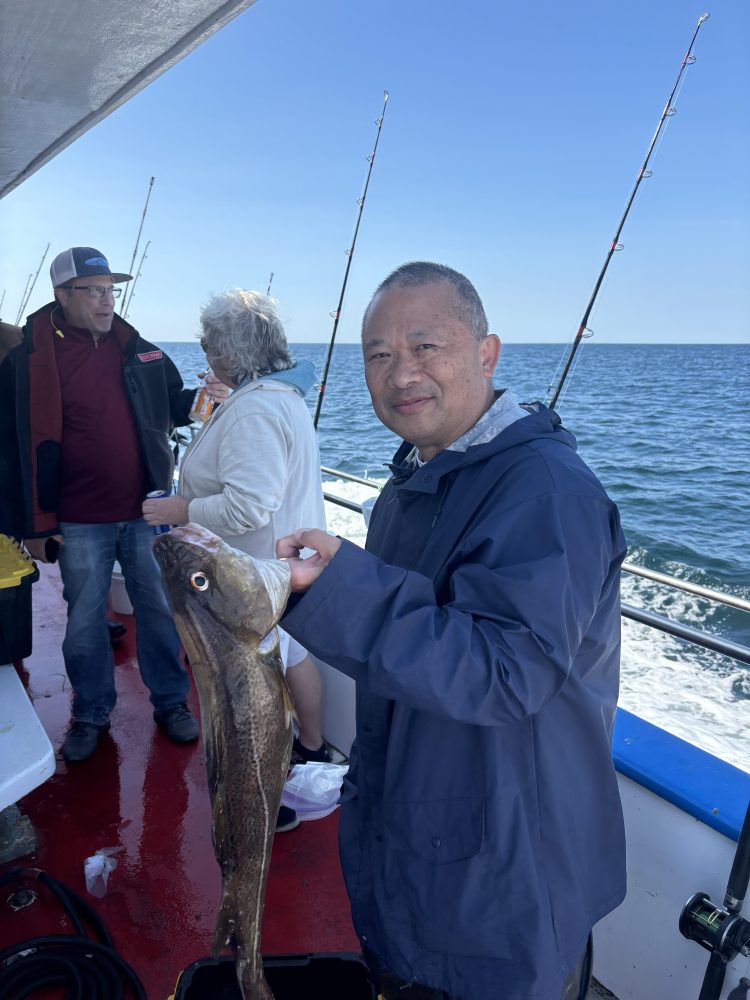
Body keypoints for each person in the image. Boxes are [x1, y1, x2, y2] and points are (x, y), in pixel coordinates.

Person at [276, 262, 627, 1000]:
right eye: (377, 354)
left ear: (487, 353)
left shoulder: (548, 492)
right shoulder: (419, 476)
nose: (401, 372)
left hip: (507, 880)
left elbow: (505, 670)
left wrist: (342, 590)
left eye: (425, 345)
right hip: (426, 842)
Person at [0, 246, 226, 763]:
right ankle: (91, 713)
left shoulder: (139, 349)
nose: (107, 301)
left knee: (159, 612)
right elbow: (9, 451)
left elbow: (177, 406)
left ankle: (170, 702)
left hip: (146, 513)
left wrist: (205, 398)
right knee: (83, 622)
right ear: (62, 295)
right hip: (77, 520)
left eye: (111, 291)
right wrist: (31, 525)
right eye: (94, 291)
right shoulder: (25, 361)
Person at [142, 288, 330, 832]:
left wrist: (180, 508)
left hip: (260, 575)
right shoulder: (273, 397)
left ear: (231, 349)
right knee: (292, 658)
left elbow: (249, 506)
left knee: (265, 680)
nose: (204, 349)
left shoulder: (258, 409)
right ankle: (309, 752)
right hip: (281, 566)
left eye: (208, 341)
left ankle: (285, 775)